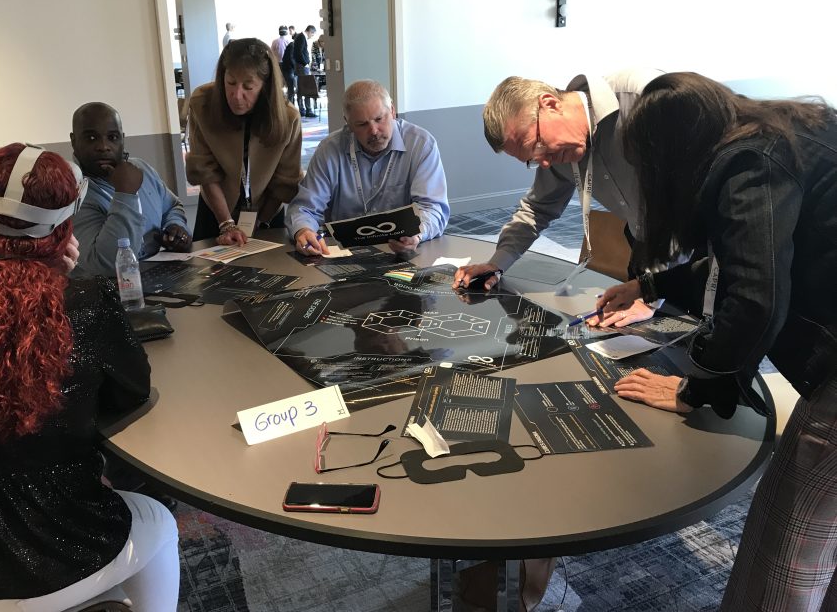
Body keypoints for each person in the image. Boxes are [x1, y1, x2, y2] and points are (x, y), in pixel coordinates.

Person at [0, 143, 180, 611]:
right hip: (50, 553)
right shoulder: (86, 303)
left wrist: (33, 268)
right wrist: (57, 277)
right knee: (159, 521)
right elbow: (131, 392)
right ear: (64, 229)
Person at [597, 72, 837, 611]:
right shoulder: (787, 128)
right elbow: (751, 253)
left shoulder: (746, 163)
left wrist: (698, 386)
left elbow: (754, 299)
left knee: (783, 551)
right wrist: (651, 285)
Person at [452, 70, 665, 327]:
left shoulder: (645, 98)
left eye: (537, 145)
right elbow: (537, 209)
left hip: (699, 246)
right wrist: (496, 264)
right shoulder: (556, 152)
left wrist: (652, 294)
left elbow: (683, 203)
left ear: (550, 104)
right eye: (532, 159)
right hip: (649, 251)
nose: (543, 162)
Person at [287, 79, 450, 255]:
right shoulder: (330, 150)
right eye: (362, 124)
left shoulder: (421, 144)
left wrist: (417, 234)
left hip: (403, 251)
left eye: (379, 119)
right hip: (345, 252)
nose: (373, 131)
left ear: (392, 111)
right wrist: (304, 231)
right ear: (348, 123)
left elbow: (432, 207)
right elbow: (305, 207)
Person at [186, 37, 303, 244]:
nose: (236, 95)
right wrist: (226, 224)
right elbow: (205, 172)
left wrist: (262, 222)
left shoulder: (288, 117)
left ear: (265, 86)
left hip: (267, 210)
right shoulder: (202, 104)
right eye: (230, 83)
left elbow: (285, 181)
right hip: (215, 209)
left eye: (248, 87)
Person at [70, 101, 192, 277]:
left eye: (112, 137)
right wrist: (125, 194)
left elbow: (172, 206)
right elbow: (107, 264)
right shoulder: (71, 192)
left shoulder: (141, 169)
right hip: (108, 288)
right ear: (74, 141)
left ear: (122, 139)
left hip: (157, 276)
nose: (103, 146)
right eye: (91, 138)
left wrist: (175, 227)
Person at [291, 24, 318, 118]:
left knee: (301, 88)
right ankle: (307, 110)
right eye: (312, 34)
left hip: (300, 66)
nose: (312, 36)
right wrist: (305, 62)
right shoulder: (301, 37)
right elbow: (298, 53)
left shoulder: (300, 37)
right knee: (305, 88)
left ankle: (303, 109)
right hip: (302, 66)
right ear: (310, 31)